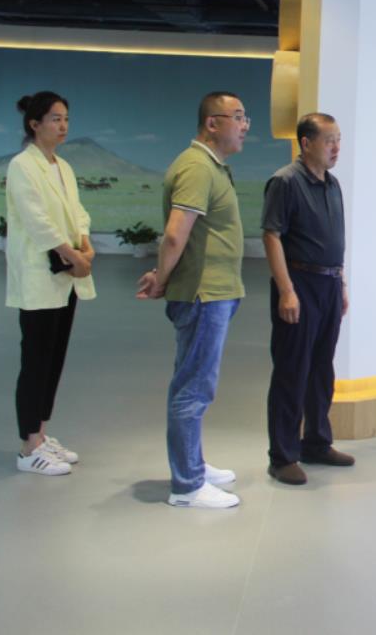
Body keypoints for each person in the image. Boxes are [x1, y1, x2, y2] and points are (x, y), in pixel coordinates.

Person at [136, 91, 248, 510]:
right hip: (204, 295)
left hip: (214, 293)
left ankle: (193, 464)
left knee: (194, 382)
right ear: (212, 123)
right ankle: (187, 485)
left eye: (246, 118)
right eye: (237, 117)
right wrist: (161, 279)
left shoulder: (210, 166)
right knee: (193, 388)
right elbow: (174, 235)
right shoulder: (197, 167)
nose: (245, 126)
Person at [6, 91, 96, 475]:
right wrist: (73, 255)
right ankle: (29, 447)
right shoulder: (21, 166)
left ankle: (41, 434)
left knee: (54, 358)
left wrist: (86, 246)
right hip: (41, 274)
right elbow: (36, 220)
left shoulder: (64, 166)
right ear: (35, 124)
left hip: (67, 275)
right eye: (56, 119)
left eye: (66, 119)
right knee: (36, 359)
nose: (63, 126)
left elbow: (77, 213)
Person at [261, 113, 354, 485]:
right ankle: (282, 456)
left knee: (321, 370)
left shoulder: (332, 184)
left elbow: (334, 239)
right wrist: (286, 290)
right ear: (306, 143)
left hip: (328, 285)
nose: (336, 148)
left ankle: (316, 442)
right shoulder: (285, 182)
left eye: (339, 139)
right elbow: (271, 236)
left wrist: (341, 283)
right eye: (329, 140)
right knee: (292, 371)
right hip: (298, 284)